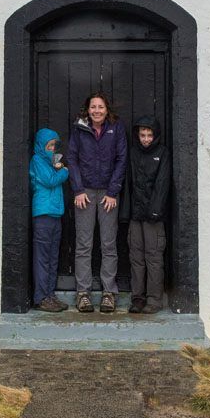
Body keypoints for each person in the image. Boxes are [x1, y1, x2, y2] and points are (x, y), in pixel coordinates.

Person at [67, 93, 127, 313]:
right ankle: (83, 293)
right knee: (84, 244)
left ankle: (108, 293)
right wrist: (78, 189)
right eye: (93, 107)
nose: (97, 111)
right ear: (88, 110)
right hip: (85, 193)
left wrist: (113, 191)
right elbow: (71, 158)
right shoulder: (79, 128)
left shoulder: (116, 127)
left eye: (100, 107)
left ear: (106, 109)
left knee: (108, 245)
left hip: (108, 195)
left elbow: (122, 159)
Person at [120, 115, 171, 314]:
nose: (146, 139)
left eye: (150, 135)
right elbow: (128, 182)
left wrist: (155, 210)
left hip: (153, 217)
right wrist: (127, 212)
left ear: (155, 135)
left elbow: (162, 183)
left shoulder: (162, 153)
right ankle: (138, 297)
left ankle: (154, 299)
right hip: (136, 215)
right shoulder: (133, 153)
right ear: (138, 135)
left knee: (154, 257)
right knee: (136, 258)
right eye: (143, 134)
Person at [29, 128, 69, 312]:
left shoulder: (52, 162)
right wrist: (65, 171)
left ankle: (50, 295)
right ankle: (41, 297)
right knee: (42, 258)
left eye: (54, 145)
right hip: (43, 215)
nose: (52, 149)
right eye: (49, 145)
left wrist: (57, 167)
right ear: (41, 146)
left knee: (52, 258)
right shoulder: (37, 161)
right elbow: (50, 181)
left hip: (54, 214)